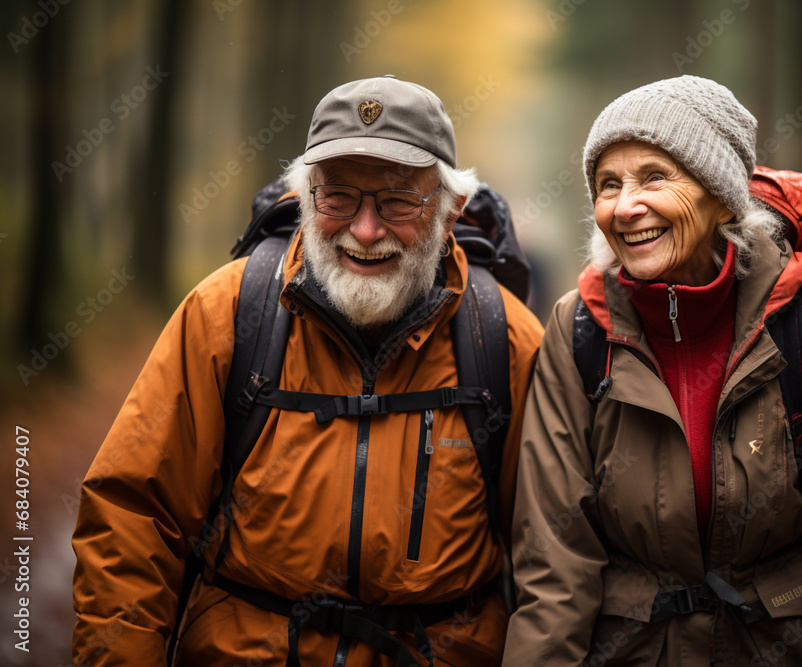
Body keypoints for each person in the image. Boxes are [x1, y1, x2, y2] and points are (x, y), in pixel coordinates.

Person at [72, 75, 543, 666]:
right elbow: (133, 518)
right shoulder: (226, 314)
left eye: (397, 201)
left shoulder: (503, 339)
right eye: (338, 197)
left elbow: (553, 561)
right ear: (304, 197)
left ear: (450, 211)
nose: (365, 230)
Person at [502, 75, 802, 665]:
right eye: (608, 184)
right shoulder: (580, 332)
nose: (625, 206)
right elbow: (554, 570)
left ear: (722, 195)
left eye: (654, 176)